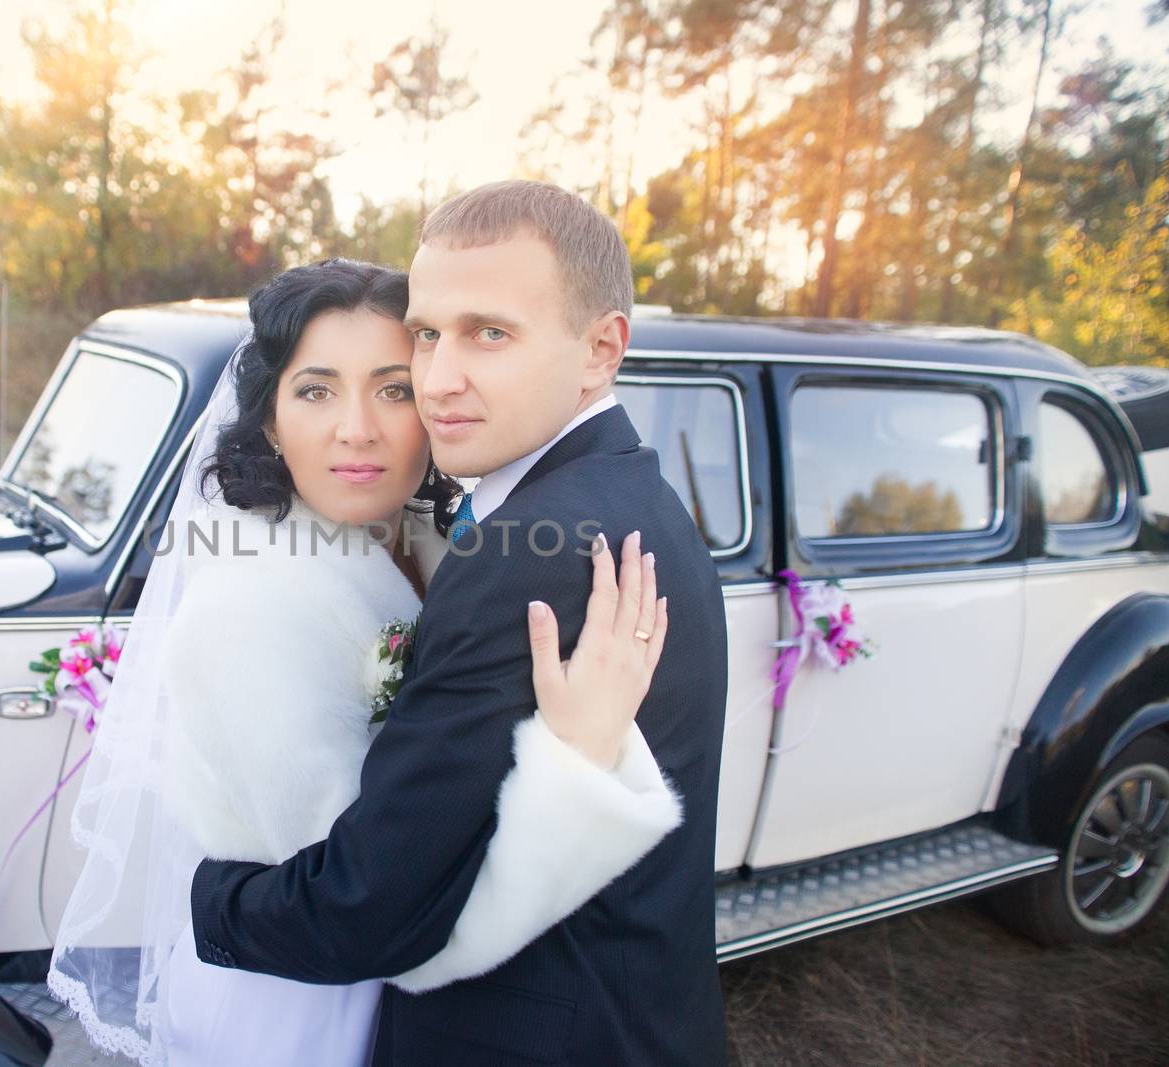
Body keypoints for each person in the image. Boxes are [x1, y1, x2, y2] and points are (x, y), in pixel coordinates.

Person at [48, 256, 683, 1066]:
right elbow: (380, 902)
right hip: (295, 1006)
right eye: (316, 390)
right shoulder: (247, 605)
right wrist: (580, 761)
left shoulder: (442, 552)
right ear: (271, 421)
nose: (358, 428)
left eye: (392, 388)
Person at [188, 181, 732, 1066]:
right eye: (429, 334)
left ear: (601, 350)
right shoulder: (627, 489)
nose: (440, 380)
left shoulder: (525, 554)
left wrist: (211, 903)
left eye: (490, 333)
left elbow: (371, 904)